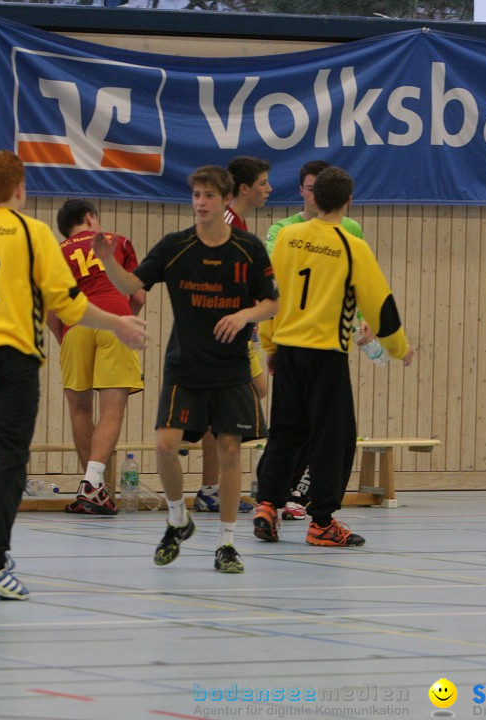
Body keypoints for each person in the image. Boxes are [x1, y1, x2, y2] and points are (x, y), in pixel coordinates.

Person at [0, 150, 147, 600]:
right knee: (8, 461)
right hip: (13, 360)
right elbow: (68, 306)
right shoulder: (33, 233)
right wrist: (118, 322)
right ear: (21, 188)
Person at [94, 165, 278, 574]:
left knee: (230, 450)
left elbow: (271, 302)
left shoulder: (248, 248)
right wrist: (106, 259)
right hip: (185, 366)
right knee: (165, 445)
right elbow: (129, 286)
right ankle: (178, 518)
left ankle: (227, 544)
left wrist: (245, 314)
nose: (200, 202)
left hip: (230, 368)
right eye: (196, 195)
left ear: (225, 199)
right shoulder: (176, 246)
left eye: (209, 196)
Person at [254, 166, 413, 548]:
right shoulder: (351, 245)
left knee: (285, 434)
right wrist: (398, 348)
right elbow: (379, 304)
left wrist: (270, 345)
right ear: (348, 201)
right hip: (325, 354)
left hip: (289, 351)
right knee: (333, 439)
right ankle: (322, 521)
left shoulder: (288, 237)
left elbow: (268, 294)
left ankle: (266, 505)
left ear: (312, 196)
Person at [263, 158, 369, 523]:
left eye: (316, 189)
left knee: (292, 428)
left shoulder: (351, 229)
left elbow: (354, 286)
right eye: (308, 188)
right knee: (327, 433)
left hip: (310, 342)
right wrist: (399, 346)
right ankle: (319, 517)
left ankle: (276, 502)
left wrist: (361, 326)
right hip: (312, 345)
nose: (312, 195)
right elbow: (275, 286)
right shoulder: (284, 230)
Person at [48, 199, 146, 515]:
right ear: (90, 218)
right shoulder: (115, 241)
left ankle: (94, 490)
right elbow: (138, 294)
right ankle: (92, 483)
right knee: (112, 410)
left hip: (74, 328)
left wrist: (63, 337)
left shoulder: (57, 253)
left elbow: (51, 310)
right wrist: (125, 321)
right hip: (114, 321)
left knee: (79, 410)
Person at [192, 156, 273, 516]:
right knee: (228, 401)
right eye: (263, 183)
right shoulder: (224, 222)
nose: (268, 190)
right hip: (222, 328)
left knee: (256, 388)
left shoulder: (238, 225)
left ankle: (213, 484)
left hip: (239, 325)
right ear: (243, 189)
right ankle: (211, 487)